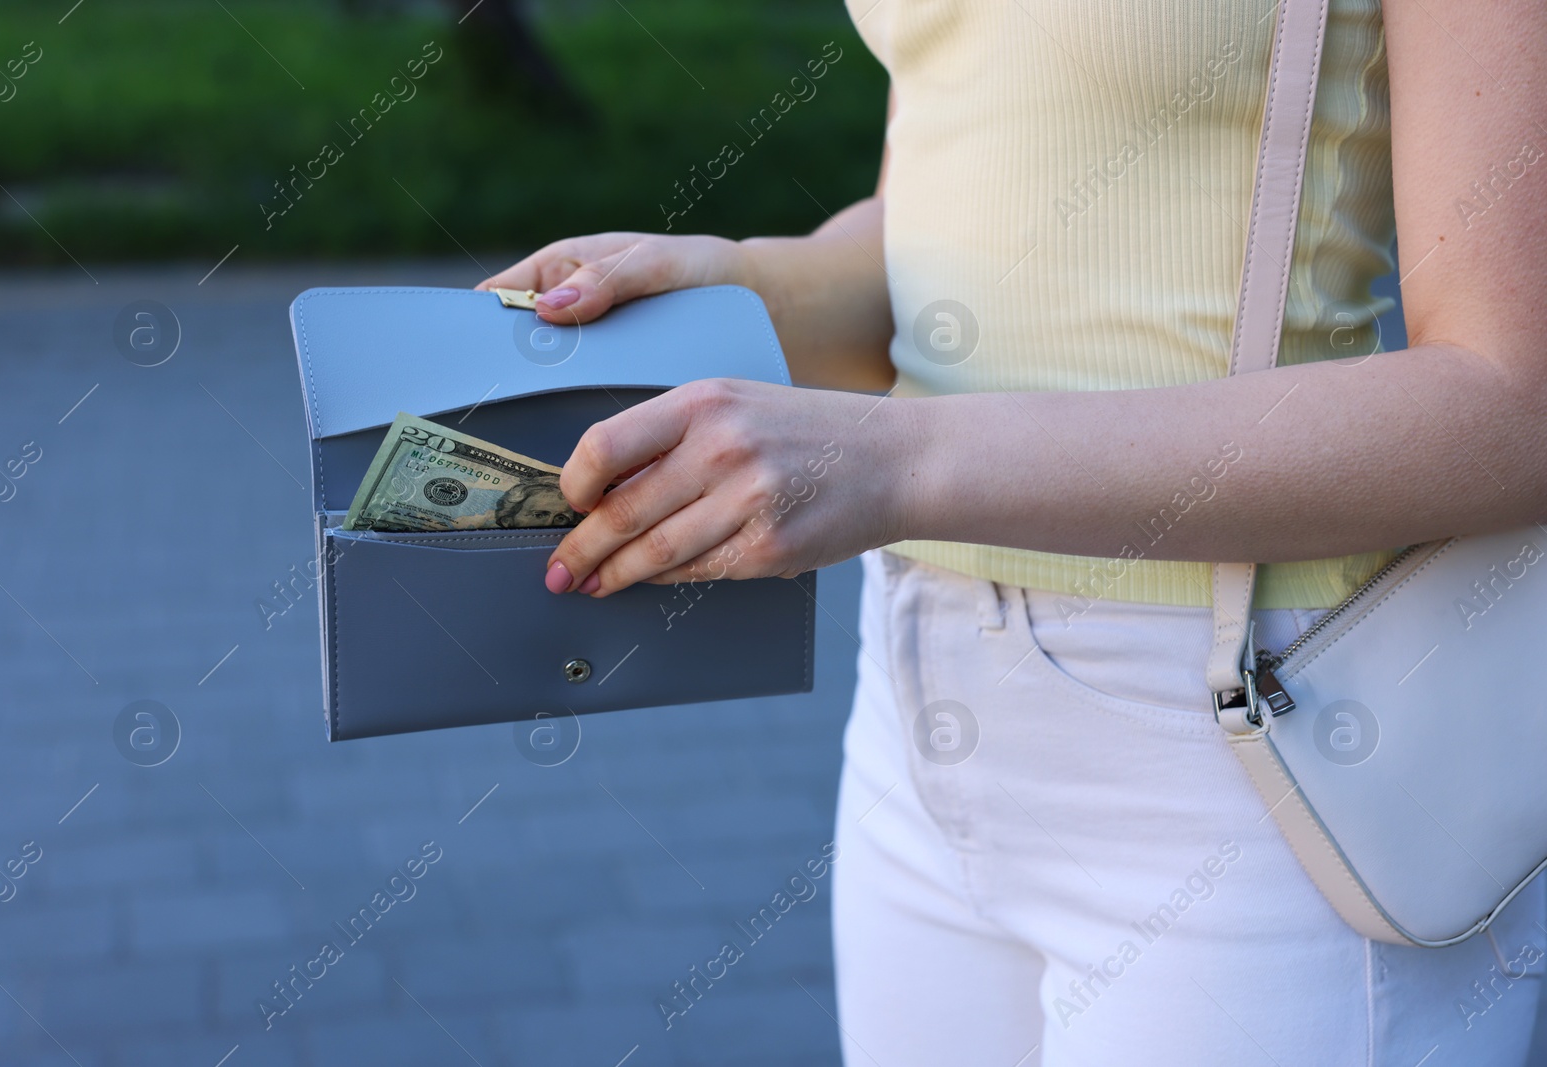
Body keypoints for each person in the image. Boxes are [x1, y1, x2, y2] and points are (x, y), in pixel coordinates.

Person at [481, 1, 1547, 1062]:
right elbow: (949, 240)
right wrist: (744, 285)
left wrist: (897, 459)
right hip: (915, 705)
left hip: (1258, 740)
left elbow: (1517, 402)